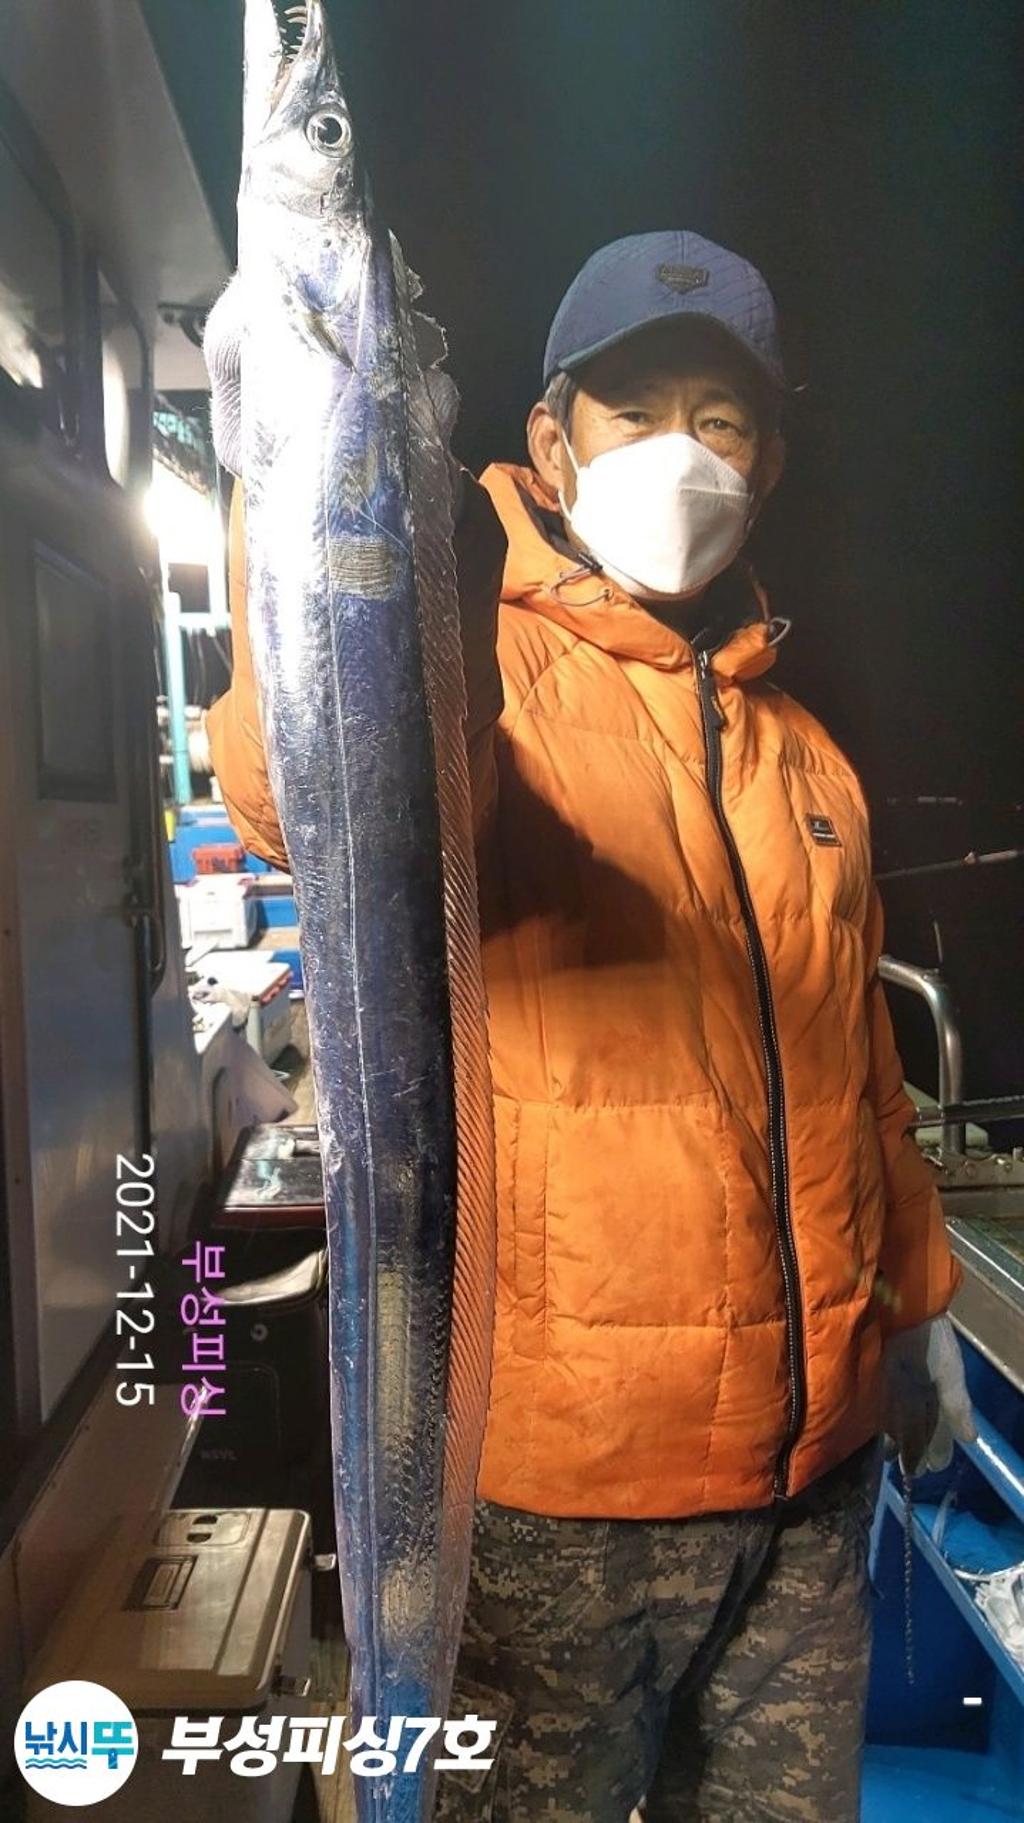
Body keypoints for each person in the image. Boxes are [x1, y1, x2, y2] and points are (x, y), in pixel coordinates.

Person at [205, 230, 975, 1821]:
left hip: (810, 1497)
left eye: (723, 416)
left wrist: (916, 1310)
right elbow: (303, 785)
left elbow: (863, 1081)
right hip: (558, 1503)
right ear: (551, 445)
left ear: (769, 462)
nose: (682, 449)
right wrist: (278, 465)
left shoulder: (810, 760)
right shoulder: (471, 668)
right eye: (636, 410)